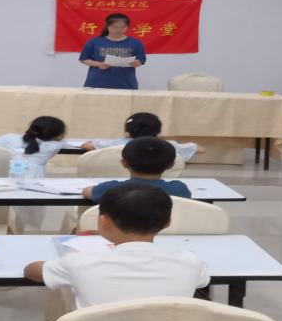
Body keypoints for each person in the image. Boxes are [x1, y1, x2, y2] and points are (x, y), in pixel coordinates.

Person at [24, 182, 209, 308]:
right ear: (167, 222)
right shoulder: (190, 262)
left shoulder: (79, 264)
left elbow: (31, 271)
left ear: (103, 222)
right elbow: (202, 279)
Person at [83, 137, 191, 201]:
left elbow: (86, 192)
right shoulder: (180, 189)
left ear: (124, 163)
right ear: (171, 165)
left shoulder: (110, 188)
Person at [80, 112, 199, 162]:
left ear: (128, 129)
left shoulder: (116, 144)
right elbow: (200, 149)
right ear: (158, 130)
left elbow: (87, 145)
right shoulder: (168, 146)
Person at [79, 13, 146, 90]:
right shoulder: (94, 42)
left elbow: (141, 60)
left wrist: (137, 63)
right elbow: (83, 59)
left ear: (127, 27)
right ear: (107, 26)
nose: (118, 30)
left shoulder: (135, 43)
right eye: (114, 27)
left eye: (123, 27)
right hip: (97, 83)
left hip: (125, 84)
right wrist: (99, 64)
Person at [0, 115, 69, 175]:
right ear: (55, 136)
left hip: (9, 176)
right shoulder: (54, 145)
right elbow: (65, 143)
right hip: (36, 178)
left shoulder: (10, 138)